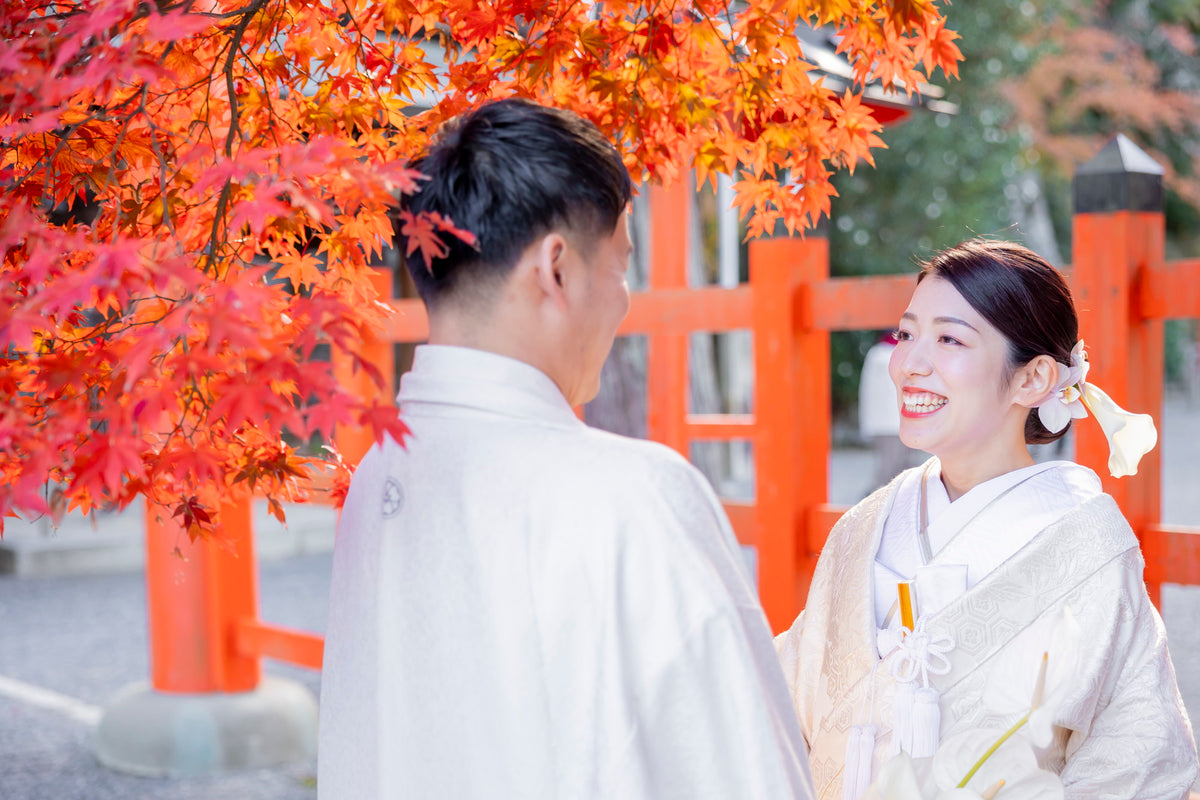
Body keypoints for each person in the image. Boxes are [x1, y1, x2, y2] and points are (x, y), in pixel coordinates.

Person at [317, 98, 815, 800]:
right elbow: (744, 770)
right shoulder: (631, 494)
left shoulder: (378, 476)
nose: (623, 303)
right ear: (556, 268)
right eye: (619, 271)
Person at [775, 238, 1198, 799]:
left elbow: (1137, 764)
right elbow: (782, 703)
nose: (909, 365)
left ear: (1033, 379)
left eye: (949, 338)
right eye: (906, 334)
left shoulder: (1085, 547)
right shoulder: (865, 527)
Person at [859, 330, 920, 490]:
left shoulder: (903, 353)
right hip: (886, 423)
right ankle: (872, 498)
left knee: (905, 464)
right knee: (890, 464)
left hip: (902, 419)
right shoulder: (880, 354)